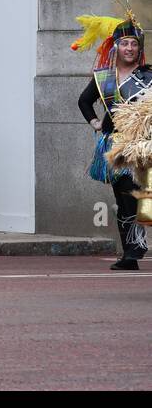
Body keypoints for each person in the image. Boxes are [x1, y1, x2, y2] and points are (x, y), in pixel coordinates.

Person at [77, 16, 152, 270]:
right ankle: (132, 250)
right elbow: (84, 101)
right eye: (125, 44)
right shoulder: (104, 78)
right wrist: (95, 123)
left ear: (138, 49)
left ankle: (135, 248)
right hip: (116, 147)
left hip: (142, 145)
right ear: (116, 47)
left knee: (141, 197)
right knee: (124, 198)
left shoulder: (147, 76)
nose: (129, 48)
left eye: (133, 44)